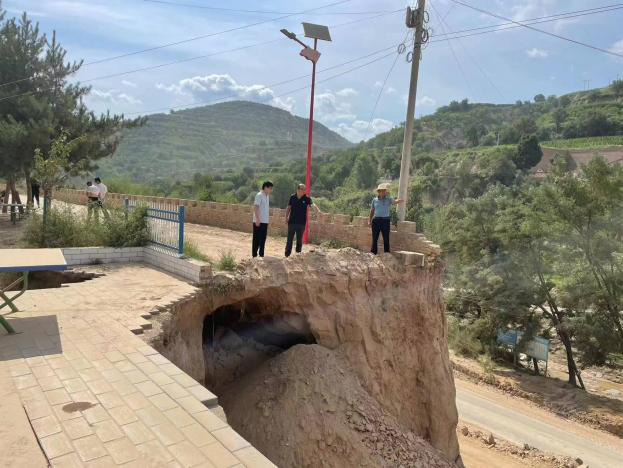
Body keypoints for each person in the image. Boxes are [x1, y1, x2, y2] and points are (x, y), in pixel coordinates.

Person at [285, 183, 321, 257]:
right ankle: (287, 255)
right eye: (303, 189)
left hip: (301, 223)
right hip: (292, 222)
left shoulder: (306, 198)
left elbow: (312, 204)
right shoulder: (292, 197)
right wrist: (286, 217)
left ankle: (298, 255)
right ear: (298, 189)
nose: (304, 190)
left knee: (299, 240)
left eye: (305, 189)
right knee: (289, 239)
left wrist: (317, 210)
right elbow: (288, 207)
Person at [368, 183, 404, 255]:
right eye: (381, 191)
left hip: (385, 220)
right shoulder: (374, 200)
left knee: (386, 237)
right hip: (376, 220)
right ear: (378, 192)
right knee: (375, 238)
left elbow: (394, 202)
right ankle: (373, 253)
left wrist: (401, 200)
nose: (383, 192)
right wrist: (369, 220)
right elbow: (372, 211)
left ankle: (386, 253)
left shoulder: (388, 199)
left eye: (384, 191)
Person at [252, 181, 273, 258]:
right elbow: (256, 207)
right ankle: (254, 255)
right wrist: (257, 219)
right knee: (256, 239)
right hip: (258, 221)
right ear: (265, 187)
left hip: (265, 221)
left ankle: (261, 255)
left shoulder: (267, 196)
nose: (271, 190)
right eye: (270, 188)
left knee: (263, 239)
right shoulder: (259, 195)